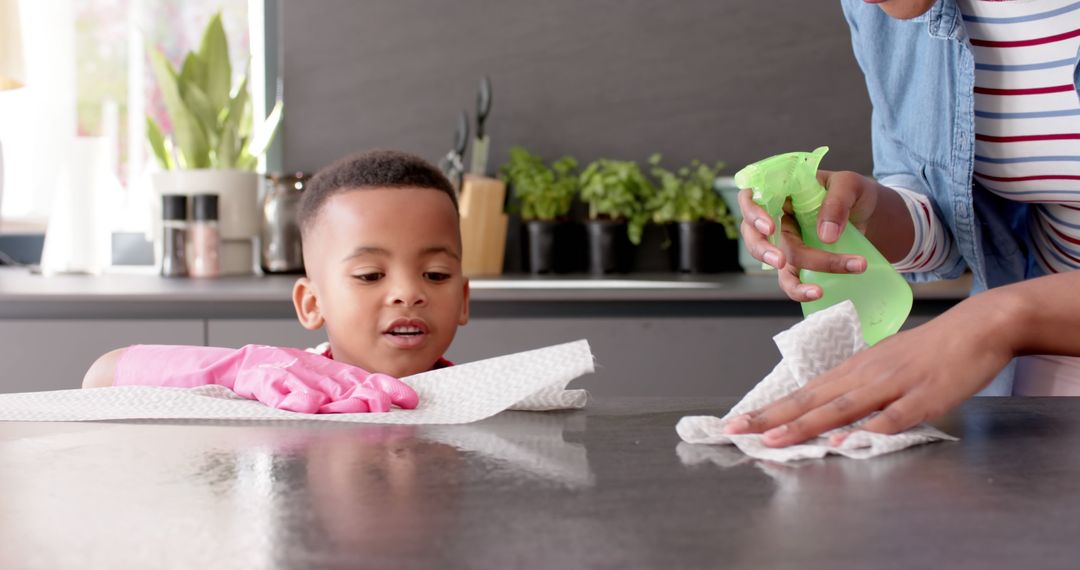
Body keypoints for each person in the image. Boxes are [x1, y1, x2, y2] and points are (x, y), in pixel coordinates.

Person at [727, 0, 1080, 447]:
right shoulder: (883, 11)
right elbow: (952, 226)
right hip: (1037, 386)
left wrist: (1001, 319)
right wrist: (866, 213)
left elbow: (1000, 318)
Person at [81, 149, 471, 413]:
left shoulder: (479, 396)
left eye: (435, 275)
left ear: (464, 298)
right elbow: (101, 376)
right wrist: (240, 368)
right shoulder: (280, 388)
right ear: (311, 303)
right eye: (370, 275)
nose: (408, 293)